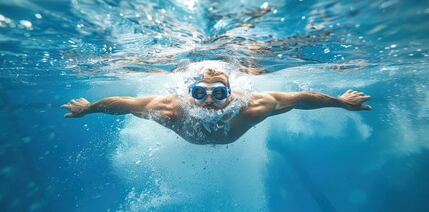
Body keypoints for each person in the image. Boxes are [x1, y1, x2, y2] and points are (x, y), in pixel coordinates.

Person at [61, 69, 372, 144]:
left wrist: (340, 103)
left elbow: (302, 97)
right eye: (199, 92)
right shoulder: (171, 108)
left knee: (283, 106)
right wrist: (89, 108)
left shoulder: (253, 105)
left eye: (218, 94)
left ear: (230, 92)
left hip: (244, 120)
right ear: (189, 93)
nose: (208, 101)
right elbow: (124, 104)